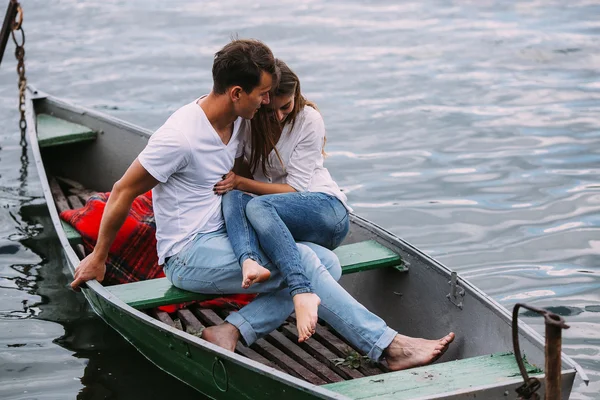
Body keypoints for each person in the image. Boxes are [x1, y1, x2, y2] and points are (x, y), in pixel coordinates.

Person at [70, 39, 454, 372]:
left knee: (330, 263)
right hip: (188, 253)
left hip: (230, 238)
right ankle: (388, 346)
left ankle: (232, 329)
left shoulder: (237, 120)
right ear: (237, 92)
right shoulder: (179, 137)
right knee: (303, 262)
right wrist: (99, 256)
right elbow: (122, 190)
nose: (269, 103)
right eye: (263, 95)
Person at [214, 59, 352, 342]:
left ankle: (301, 291)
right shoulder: (249, 121)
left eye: (285, 107)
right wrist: (233, 184)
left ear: (296, 95)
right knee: (235, 198)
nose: (277, 116)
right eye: (270, 110)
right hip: (278, 219)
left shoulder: (308, 119)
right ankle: (249, 264)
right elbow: (235, 175)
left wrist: (241, 182)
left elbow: (295, 189)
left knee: (255, 203)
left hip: (324, 211)